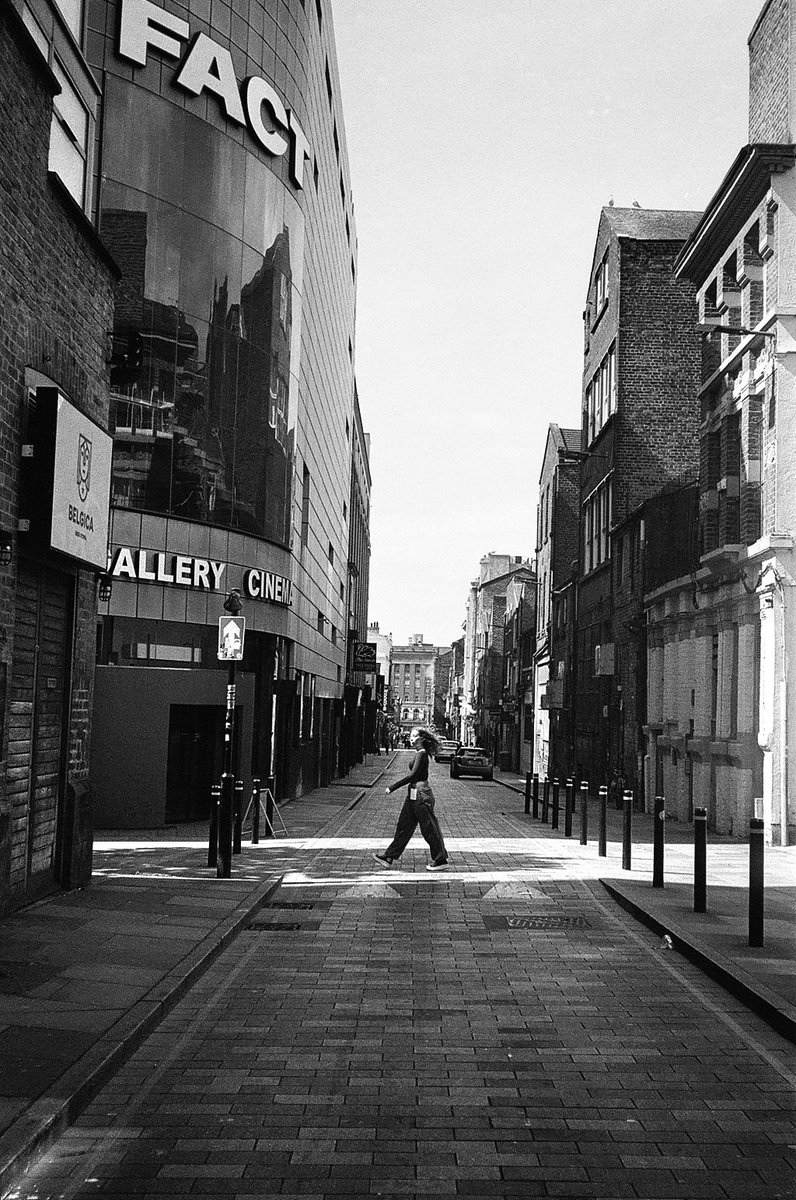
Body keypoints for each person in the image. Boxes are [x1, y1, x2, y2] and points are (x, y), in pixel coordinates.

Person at [373, 727, 449, 871]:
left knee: (429, 827)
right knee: (404, 825)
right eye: (411, 736)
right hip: (413, 792)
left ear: (421, 738)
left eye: (414, 736)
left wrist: (393, 786)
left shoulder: (422, 754)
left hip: (421, 793)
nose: (411, 738)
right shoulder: (418, 753)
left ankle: (440, 859)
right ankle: (389, 856)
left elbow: (413, 776)